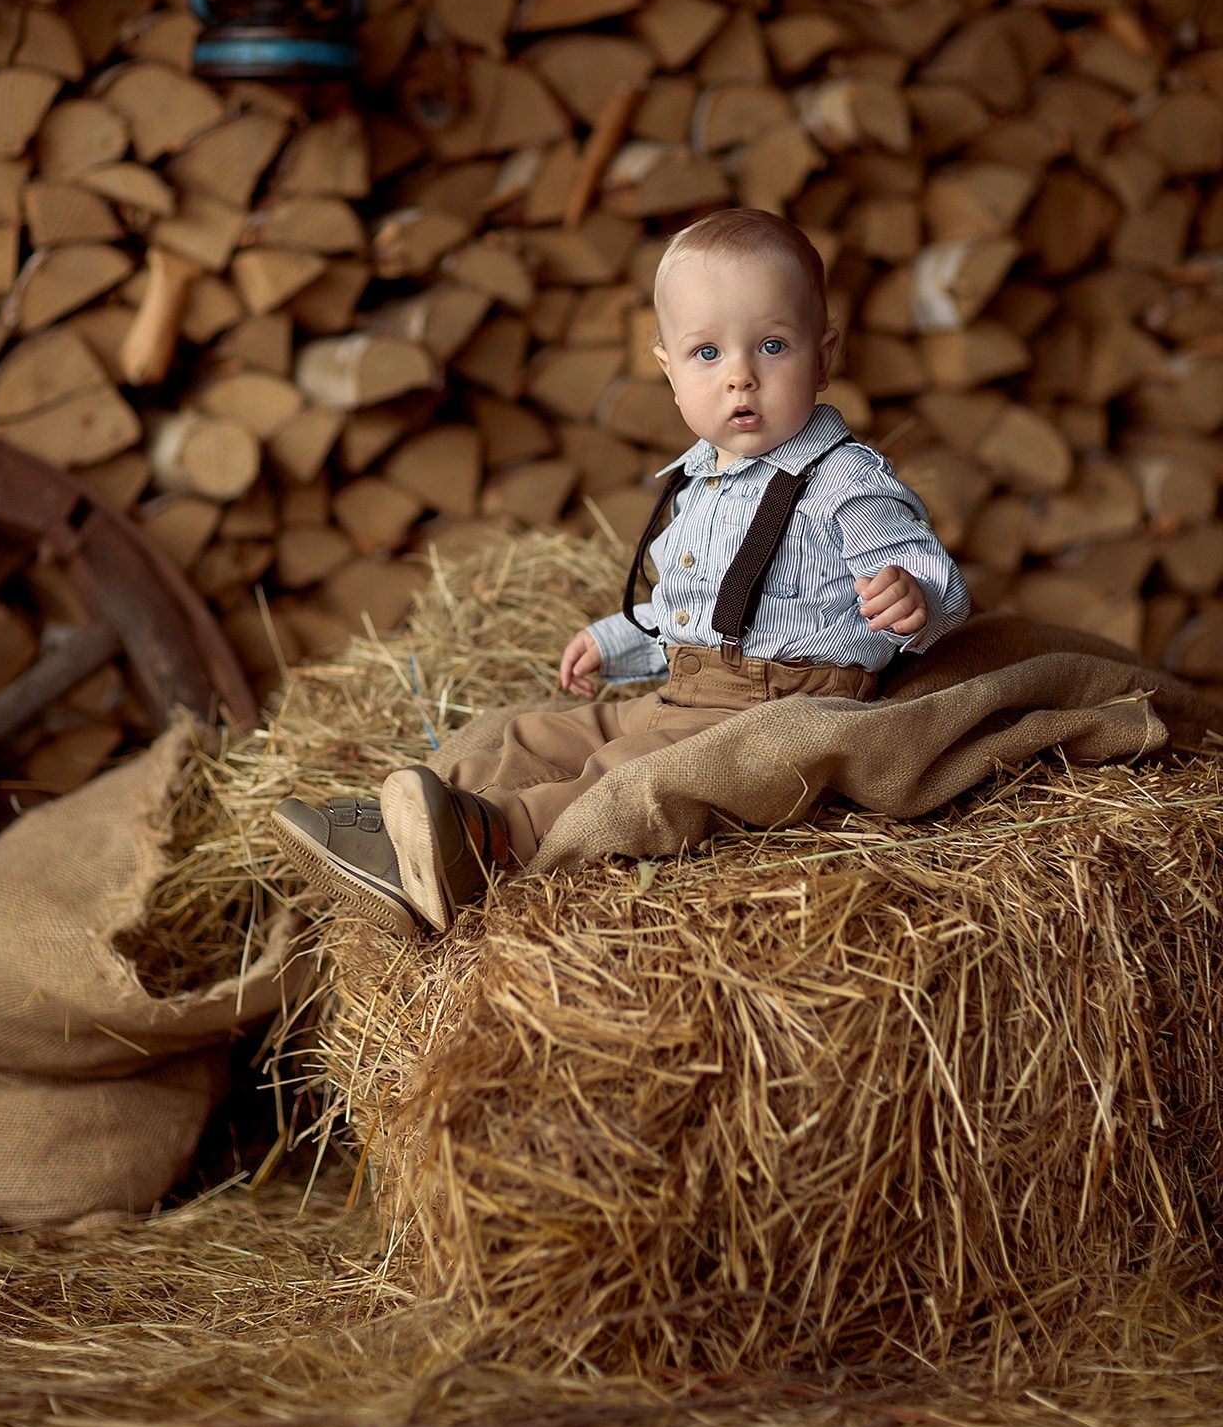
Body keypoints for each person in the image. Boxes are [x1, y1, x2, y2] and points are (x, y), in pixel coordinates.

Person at [271, 207, 970, 936]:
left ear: (823, 358)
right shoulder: (699, 483)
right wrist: (615, 640)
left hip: (776, 712)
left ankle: (487, 845)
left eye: (772, 346)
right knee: (541, 737)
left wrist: (912, 594)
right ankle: (417, 823)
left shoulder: (842, 482)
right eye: (707, 354)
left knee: (633, 776)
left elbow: (934, 577)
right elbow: (687, 610)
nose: (740, 377)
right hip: (686, 689)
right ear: (669, 371)